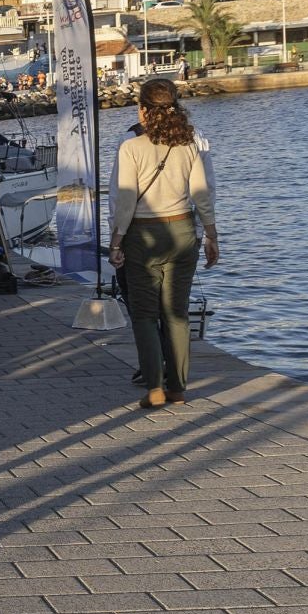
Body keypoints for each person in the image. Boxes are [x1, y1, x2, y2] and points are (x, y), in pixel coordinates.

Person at [109, 78, 219, 408]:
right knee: (177, 314)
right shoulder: (189, 145)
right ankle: (179, 388)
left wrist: (116, 242)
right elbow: (202, 194)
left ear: (143, 110)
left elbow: (126, 200)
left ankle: (155, 388)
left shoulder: (130, 148)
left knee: (144, 314)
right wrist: (212, 235)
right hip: (183, 232)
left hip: (143, 235)